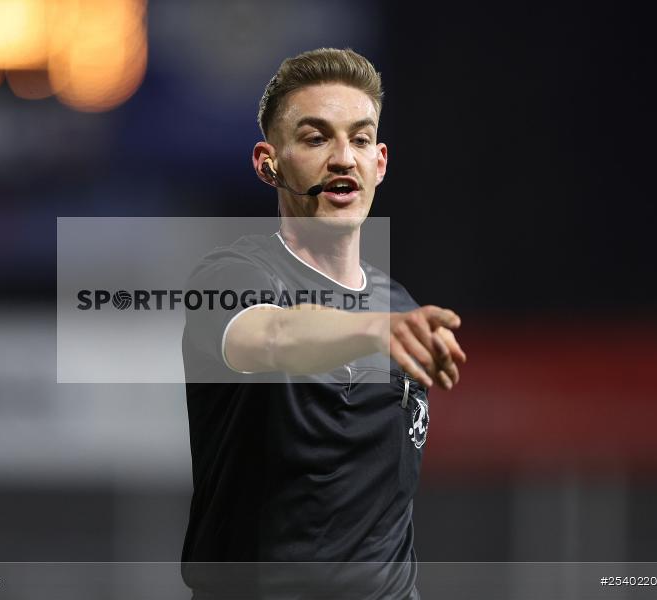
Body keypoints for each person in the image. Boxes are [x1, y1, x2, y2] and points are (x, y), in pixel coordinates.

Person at [180, 48, 466, 599]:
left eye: (359, 139)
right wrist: (369, 331)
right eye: (316, 139)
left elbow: (385, 518)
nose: (343, 158)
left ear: (379, 163)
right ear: (269, 162)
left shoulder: (399, 306)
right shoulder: (233, 275)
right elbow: (271, 336)